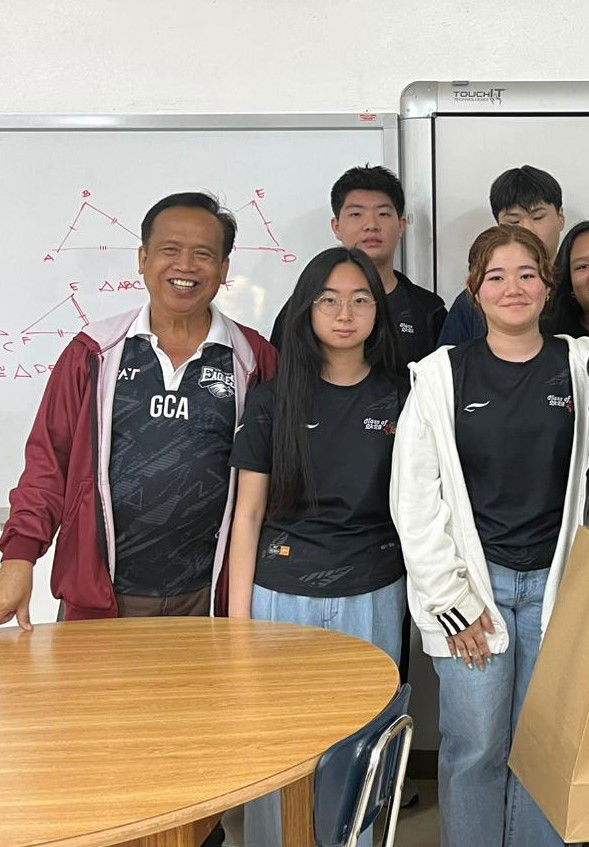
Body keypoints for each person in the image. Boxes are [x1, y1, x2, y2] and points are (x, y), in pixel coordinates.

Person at [0, 191, 277, 847]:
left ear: (225, 267)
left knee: (200, 765)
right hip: (103, 606)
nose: (186, 265)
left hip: (205, 606)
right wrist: (17, 557)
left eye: (203, 253)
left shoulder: (255, 358)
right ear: (144, 258)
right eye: (170, 249)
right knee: (103, 763)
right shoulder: (94, 352)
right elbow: (47, 462)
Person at [393, 224, 589, 847]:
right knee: (474, 746)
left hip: (559, 589)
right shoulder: (439, 375)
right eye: (496, 277)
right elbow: (414, 499)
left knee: (548, 747)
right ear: (473, 291)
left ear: (547, 285)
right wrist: (452, 603)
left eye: (528, 274)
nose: (514, 288)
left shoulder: (584, 364)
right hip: (471, 594)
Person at [228, 246, 406, 847]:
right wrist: (236, 622)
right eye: (328, 300)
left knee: (362, 751)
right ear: (306, 310)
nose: (345, 313)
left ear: (378, 311)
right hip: (283, 597)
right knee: (277, 748)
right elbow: (247, 515)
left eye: (360, 300)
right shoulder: (271, 400)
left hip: (374, 593)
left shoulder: (403, 396)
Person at [271, 166, 446, 367]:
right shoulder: (306, 304)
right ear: (336, 227)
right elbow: (282, 378)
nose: (371, 225)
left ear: (401, 225)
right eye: (356, 214)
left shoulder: (428, 310)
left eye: (383, 214)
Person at [438, 165, 566, 347]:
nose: (527, 230)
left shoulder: (580, 287)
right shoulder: (475, 299)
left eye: (538, 217)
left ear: (561, 217)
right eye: (514, 221)